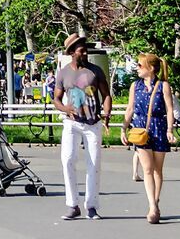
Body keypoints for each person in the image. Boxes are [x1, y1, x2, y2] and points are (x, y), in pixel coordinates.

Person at [54, 34, 112, 221]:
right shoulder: (63, 73)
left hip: (92, 123)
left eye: (86, 49)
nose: (85, 53)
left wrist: (107, 114)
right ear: (72, 52)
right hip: (71, 123)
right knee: (68, 160)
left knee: (94, 164)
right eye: (81, 50)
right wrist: (65, 108)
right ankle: (73, 205)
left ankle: (92, 206)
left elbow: (106, 95)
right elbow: (56, 98)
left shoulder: (95, 71)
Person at [122, 52, 177, 224]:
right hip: (140, 130)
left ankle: (156, 200)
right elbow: (130, 109)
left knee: (157, 170)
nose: (136, 68)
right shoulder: (135, 86)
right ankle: (152, 206)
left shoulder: (163, 86)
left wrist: (169, 129)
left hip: (159, 128)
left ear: (151, 68)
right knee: (147, 169)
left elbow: (169, 109)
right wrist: (123, 128)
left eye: (139, 65)